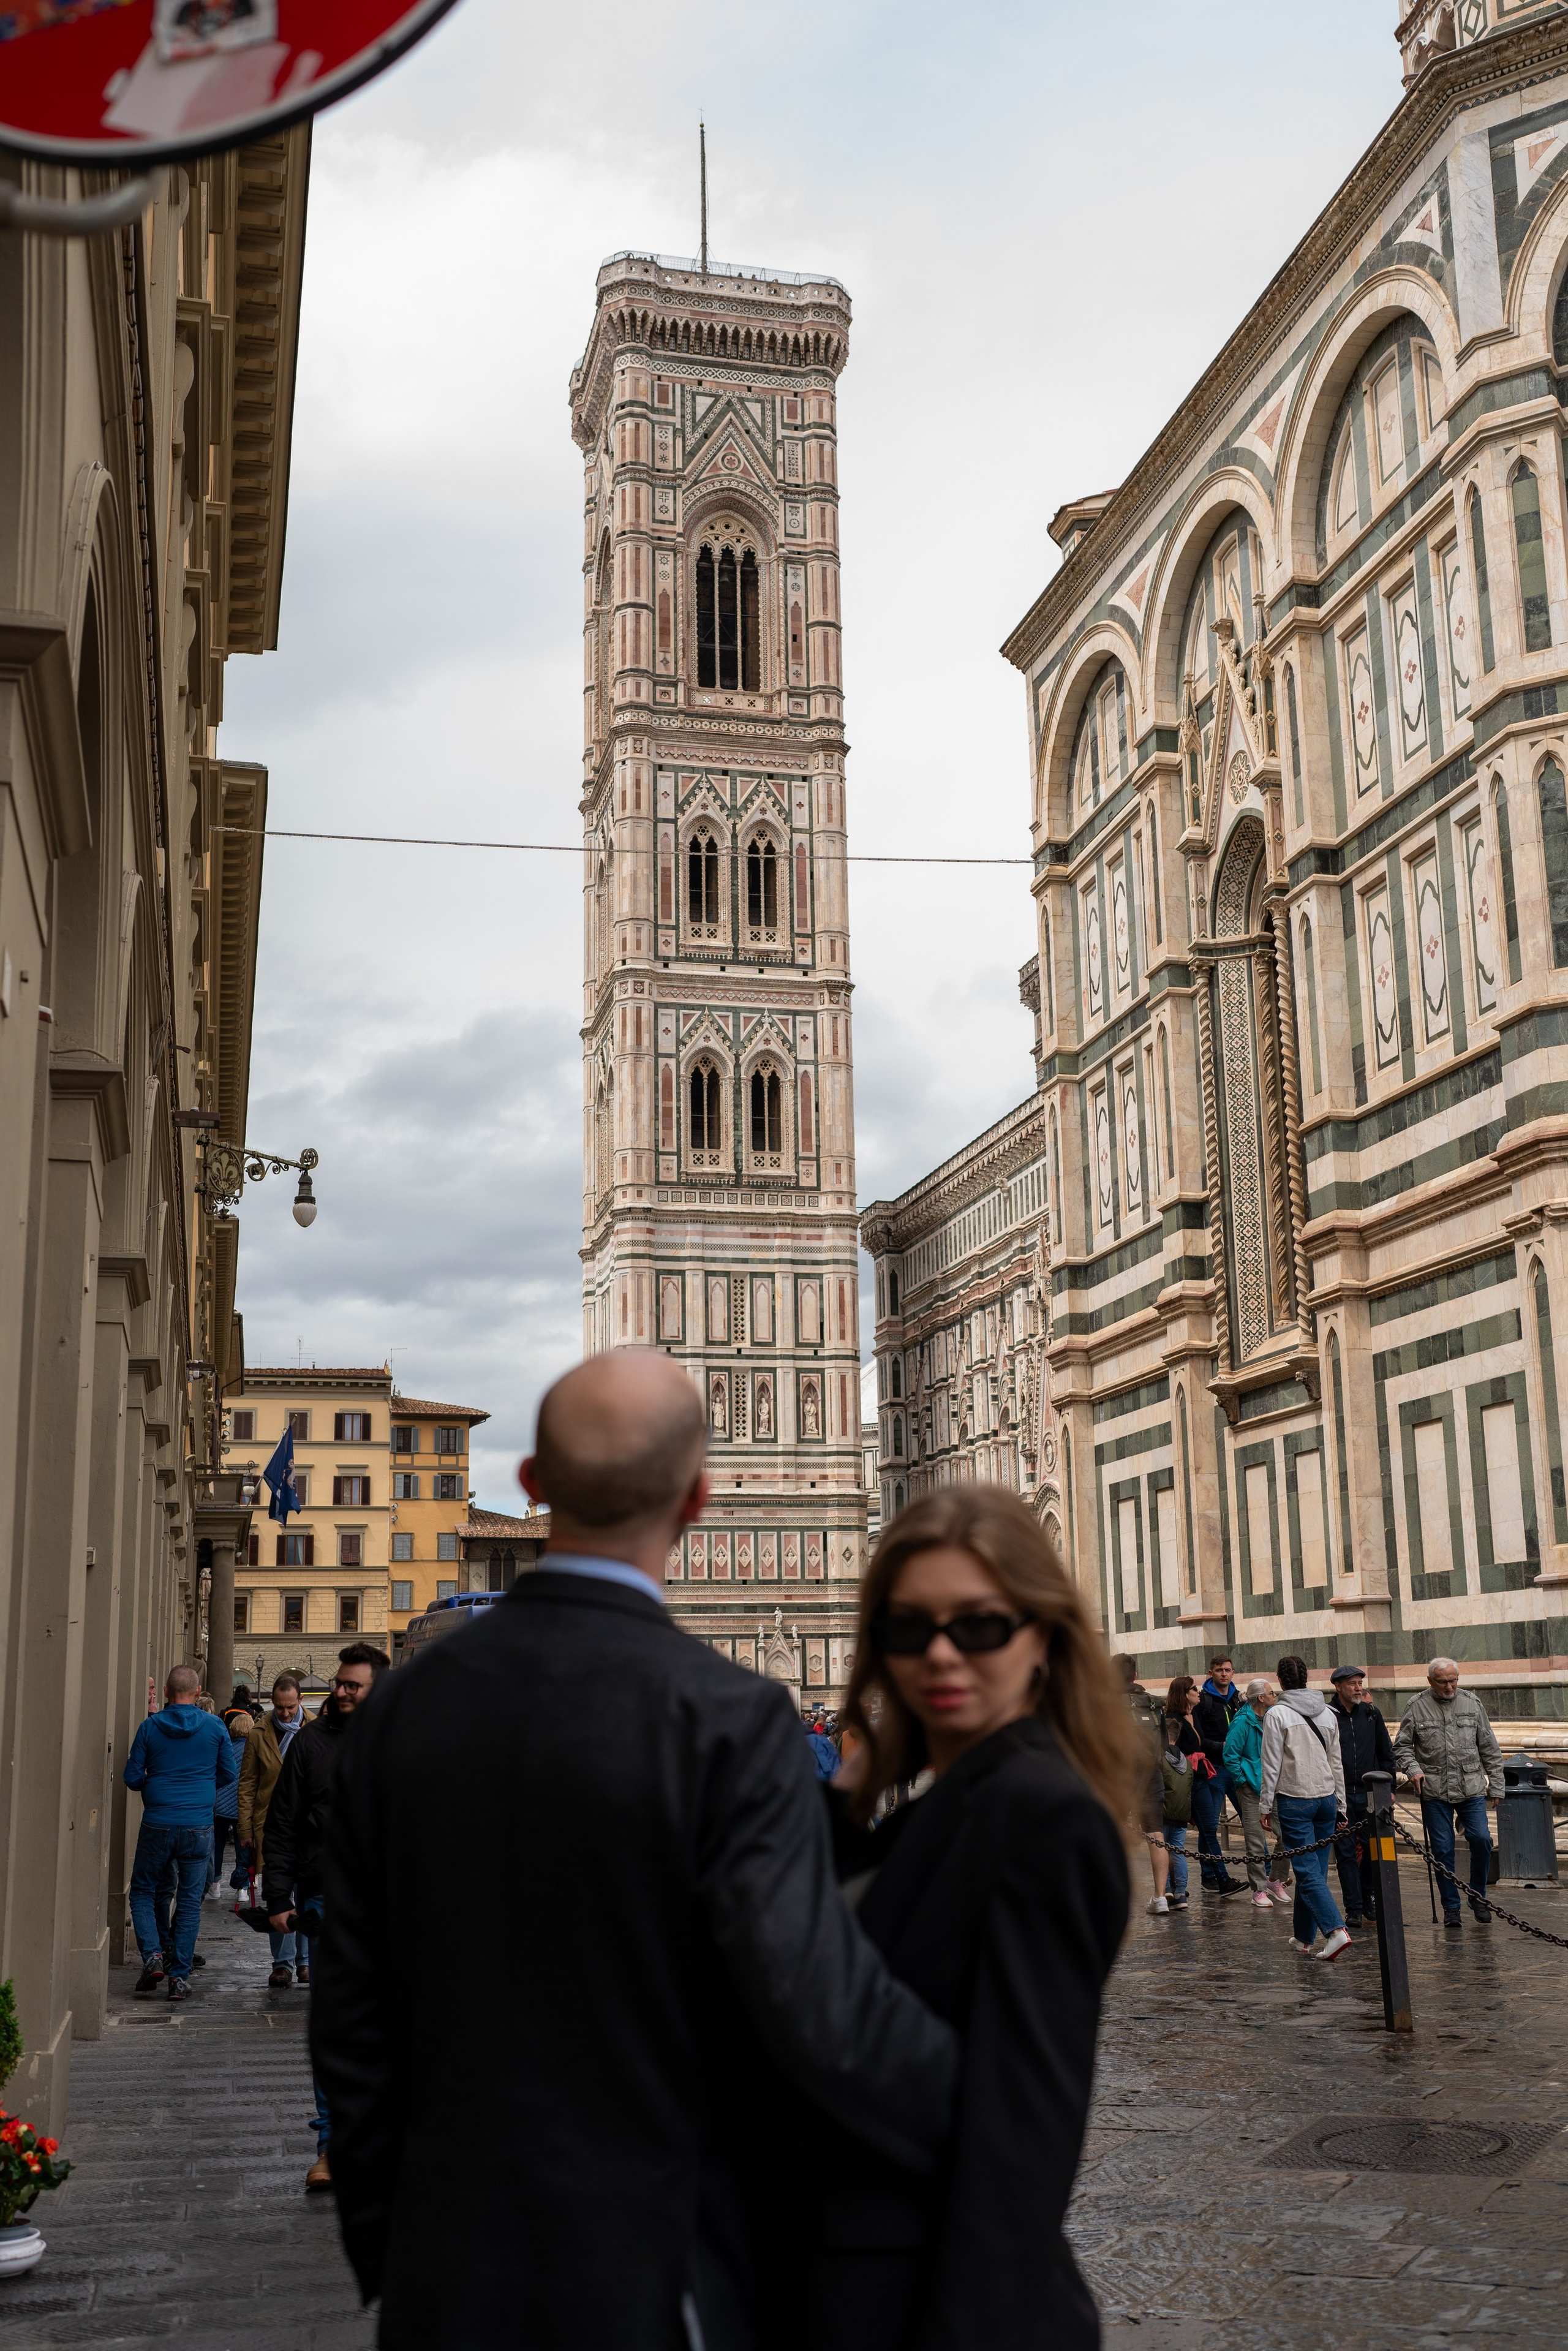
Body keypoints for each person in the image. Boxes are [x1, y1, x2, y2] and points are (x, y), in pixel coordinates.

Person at [312, 1350, 960, 2349]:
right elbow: (813, 2004)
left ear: (533, 1485)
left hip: (448, 2269)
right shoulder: (731, 1716)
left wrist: (391, 2238)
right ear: (695, 1499)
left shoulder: (400, 1712)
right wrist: (983, 2104)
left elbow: (350, 2004)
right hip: (661, 2270)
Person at [816, 1487, 1136, 2351]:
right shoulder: (951, 1800)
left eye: (980, 1625)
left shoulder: (1040, 1813)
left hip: (929, 2305)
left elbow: (1017, 2145)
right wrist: (858, 1786)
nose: (940, 1654)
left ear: (1042, 1637)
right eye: (907, 1628)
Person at [265, 1643, 388, 2189]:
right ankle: (331, 2146)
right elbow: (283, 1824)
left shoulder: (406, 1740)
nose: (340, 1691)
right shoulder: (311, 1743)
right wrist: (278, 1897)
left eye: (351, 1685)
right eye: (339, 1683)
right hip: (326, 1901)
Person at [123, 1664, 237, 2002]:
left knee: (142, 1891)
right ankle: (179, 1978)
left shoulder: (150, 1727)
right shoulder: (215, 1726)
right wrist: (202, 1785)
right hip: (198, 1825)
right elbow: (229, 1773)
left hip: (158, 1821)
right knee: (189, 1901)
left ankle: (153, 1956)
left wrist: (156, 1782)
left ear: (167, 1692)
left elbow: (132, 1778)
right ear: (198, 1691)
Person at [1392, 1656, 1504, 1928]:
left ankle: (1477, 1896)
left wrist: (1497, 1784)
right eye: (1443, 1682)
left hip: (1471, 1788)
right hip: (1434, 1792)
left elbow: (1489, 1746)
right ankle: (1451, 1907)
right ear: (1430, 1681)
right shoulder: (1416, 1706)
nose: (1449, 1686)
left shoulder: (1472, 1703)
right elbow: (1401, 1747)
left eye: (1453, 1681)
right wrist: (1413, 1770)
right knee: (1443, 1850)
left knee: (1482, 1840)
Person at [1260, 1656, 1349, 1960]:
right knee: (1314, 1872)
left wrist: (1265, 1805)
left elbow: (1271, 1765)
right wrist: (1341, 1804)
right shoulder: (1328, 1713)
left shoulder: (1276, 1714)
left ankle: (1335, 1931)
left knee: (1307, 1872)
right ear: (1306, 1678)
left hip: (1294, 1798)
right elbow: (1336, 1763)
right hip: (1327, 1798)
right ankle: (1303, 1937)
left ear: (1280, 1681)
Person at [239, 1674, 311, 1987]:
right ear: (272, 1702)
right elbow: (248, 1783)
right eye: (280, 1707)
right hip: (271, 1826)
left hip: (310, 1827)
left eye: (290, 1707)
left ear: (300, 1701)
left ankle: (305, 1962)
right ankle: (282, 1964)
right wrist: (245, 1828)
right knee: (279, 1892)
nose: (285, 1713)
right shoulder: (259, 1733)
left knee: (308, 1894)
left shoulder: (316, 1729)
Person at [1328, 1665, 1396, 1927]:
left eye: (1360, 1684)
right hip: (1341, 1794)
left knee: (1372, 1849)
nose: (1358, 1689)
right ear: (1338, 1687)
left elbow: (1385, 1752)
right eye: (1352, 1684)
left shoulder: (1371, 1714)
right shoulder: (1328, 1715)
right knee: (1345, 1853)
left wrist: (1389, 1788)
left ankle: (1368, 1897)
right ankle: (1353, 1908)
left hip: (1370, 1793)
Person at [1221, 1679, 1293, 1909]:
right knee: (1255, 1841)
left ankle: (1275, 1880)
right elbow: (1230, 1755)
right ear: (1261, 1698)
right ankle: (1259, 1889)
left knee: (1287, 1836)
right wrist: (1243, 1781)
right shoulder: (1242, 1722)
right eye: (1272, 1693)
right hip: (1252, 1789)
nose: (1275, 1696)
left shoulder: (1274, 1717)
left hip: (1275, 1787)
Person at [1118, 1656, 1170, 1915]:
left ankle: (1114, 1895)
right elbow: (1164, 1744)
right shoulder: (1152, 1703)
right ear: (1136, 1675)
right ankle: (1160, 1897)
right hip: (1151, 1774)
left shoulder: (1104, 1703)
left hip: (1118, 1775)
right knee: (1156, 1834)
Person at [1192, 1654, 1246, 1892]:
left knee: (1250, 1820)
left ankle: (1265, 1874)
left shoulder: (1239, 1699)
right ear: (1211, 1673)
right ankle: (1209, 1875)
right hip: (1214, 1770)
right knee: (1210, 1825)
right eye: (1219, 1670)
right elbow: (1198, 1739)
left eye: (1227, 1670)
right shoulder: (1202, 1701)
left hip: (1238, 1769)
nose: (1224, 1674)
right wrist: (1221, 1747)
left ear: (1233, 1673)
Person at [1158, 1680, 1196, 1909]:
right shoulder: (1187, 1763)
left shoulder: (1160, 1759)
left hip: (1163, 1812)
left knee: (1162, 1850)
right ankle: (1181, 1893)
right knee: (1179, 1852)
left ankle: (1167, 1890)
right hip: (1182, 1814)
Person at [208, 1700, 252, 1897]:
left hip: (221, 1805)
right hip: (243, 1806)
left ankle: (216, 1883)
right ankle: (242, 1888)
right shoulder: (253, 1751)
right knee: (243, 1846)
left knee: (217, 1844)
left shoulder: (225, 1748)